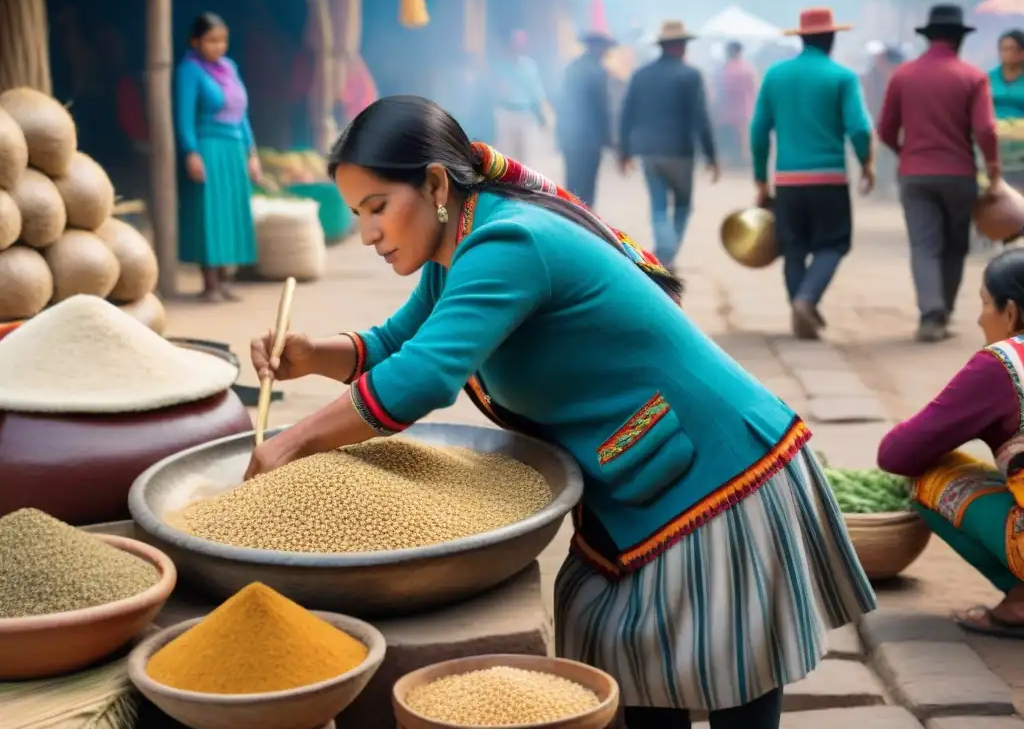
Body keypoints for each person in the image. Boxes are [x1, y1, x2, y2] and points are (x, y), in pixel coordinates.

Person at [246, 95, 875, 729]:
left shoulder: (508, 241)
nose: (368, 233)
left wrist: (294, 442)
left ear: (436, 184)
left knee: (732, 684)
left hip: (720, 475)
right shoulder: (456, 248)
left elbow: (424, 377)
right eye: (357, 214)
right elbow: (397, 344)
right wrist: (310, 356)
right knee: (636, 677)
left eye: (378, 208)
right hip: (639, 474)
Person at [878, 248, 1024, 639]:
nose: (979, 318)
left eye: (984, 304)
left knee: (928, 475)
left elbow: (898, 453)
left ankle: (1020, 604)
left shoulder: (1005, 363)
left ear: (1010, 312)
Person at [877, 5, 1001, 343]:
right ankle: (943, 310)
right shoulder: (973, 77)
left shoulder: (903, 76)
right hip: (959, 175)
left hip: (915, 176)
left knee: (924, 245)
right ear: (959, 39)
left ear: (928, 38)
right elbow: (986, 130)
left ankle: (930, 314)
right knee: (954, 246)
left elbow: (886, 128)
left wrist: (906, 154)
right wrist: (992, 168)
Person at [751, 8, 874, 341]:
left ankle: (798, 310)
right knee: (832, 244)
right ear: (831, 39)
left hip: (788, 182)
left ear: (802, 38)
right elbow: (860, 128)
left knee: (793, 249)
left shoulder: (775, 76)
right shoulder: (843, 77)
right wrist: (866, 163)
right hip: (830, 180)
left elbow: (759, 129)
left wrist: (761, 179)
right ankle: (806, 300)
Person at [619, 20, 719, 272]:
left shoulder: (640, 75)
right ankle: (667, 254)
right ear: (682, 46)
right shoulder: (691, 75)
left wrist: (624, 152)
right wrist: (711, 156)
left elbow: (627, 114)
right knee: (683, 205)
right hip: (680, 152)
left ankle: (665, 253)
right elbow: (700, 118)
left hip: (648, 151)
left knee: (659, 205)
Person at [175, 12, 259, 302]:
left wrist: (252, 153)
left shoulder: (230, 67)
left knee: (231, 212)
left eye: (222, 40)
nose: (218, 46)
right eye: (211, 40)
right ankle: (209, 283)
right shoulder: (190, 69)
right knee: (208, 214)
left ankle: (224, 281)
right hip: (208, 148)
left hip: (234, 149)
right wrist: (191, 153)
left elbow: (242, 115)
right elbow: (184, 117)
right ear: (195, 41)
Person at [557, 30, 615, 207]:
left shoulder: (571, 68)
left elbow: (562, 102)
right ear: (598, 48)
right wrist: (609, 140)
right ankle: (585, 220)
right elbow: (602, 109)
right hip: (591, 140)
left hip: (570, 136)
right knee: (587, 186)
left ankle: (570, 217)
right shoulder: (598, 72)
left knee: (572, 183)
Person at [493, 29, 546, 167]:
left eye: (522, 43)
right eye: (516, 42)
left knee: (526, 155)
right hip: (506, 113)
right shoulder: (501, 66)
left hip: (525, 114)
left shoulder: (530, 66)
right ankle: (503, 186)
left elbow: (536, 92)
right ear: (510, 44)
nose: (519, 46)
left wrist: (541, 114)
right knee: (504, 155)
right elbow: (495, 91)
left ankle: (522, 187)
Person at [861, 43, 904, 199]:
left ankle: (889, 187)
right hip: (876, 125)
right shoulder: (870, 79)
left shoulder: (901, 78)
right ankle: (880, 189)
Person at [714, 41, 758, 169]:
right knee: (744, 142)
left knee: (731, 143)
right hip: (746, 112)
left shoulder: (725, 69)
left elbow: (720, 92)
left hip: (727, 114)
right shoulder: (749, 68)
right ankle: (743, 166)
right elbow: (754, 90)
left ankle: (733, 166)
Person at [991, 30, 1024, 192]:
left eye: (1011, 49)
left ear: (1022, 53)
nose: (1006, 54)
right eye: (1003, 49)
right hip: (995, 140)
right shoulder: (988, 79)